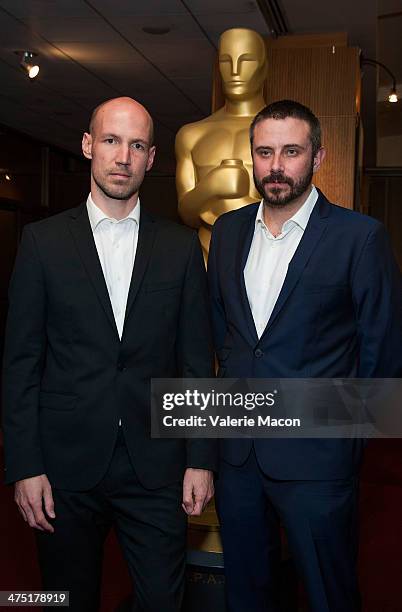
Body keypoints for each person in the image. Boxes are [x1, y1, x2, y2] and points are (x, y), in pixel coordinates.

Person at [2, 96, 217, 612]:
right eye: (112, 140)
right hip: (63, 469)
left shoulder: (181, 248)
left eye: (137, 144)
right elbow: (21, 364)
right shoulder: (41, 243)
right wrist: (24, 466)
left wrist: (201, 459)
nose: (123, 156)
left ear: (151, 157)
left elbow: (195, 362)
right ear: (88, 146)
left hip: (156, 467)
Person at [207, 99, 402, 612]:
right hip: (239, 456)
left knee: (328, 593)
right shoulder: (226, 232)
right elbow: (222, 339)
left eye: (291, 151)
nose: (275, 166)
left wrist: (344, 448)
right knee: (247, 593)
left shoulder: (360, 237)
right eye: (264, 152)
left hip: (318, 461)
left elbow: (383, 356)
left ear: (317, 157)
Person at [175, 28, 267, 261]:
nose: (234, 72)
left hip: (265, 256)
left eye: (246, 61)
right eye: (226, 61)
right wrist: (211, 186)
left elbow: (296, 210)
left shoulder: (283, 135)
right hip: (206, 255)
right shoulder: (192, 134)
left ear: (264, 68)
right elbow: (186, 212)